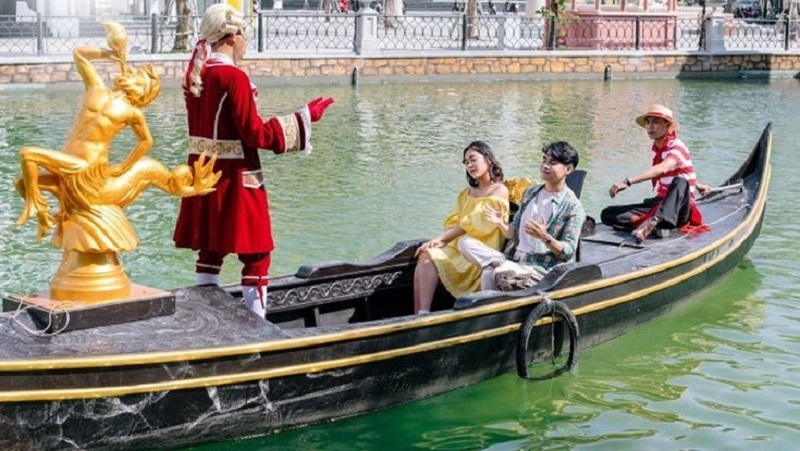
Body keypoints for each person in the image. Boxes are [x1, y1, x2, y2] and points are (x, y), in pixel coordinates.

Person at [173, 4, 334, 318]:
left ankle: (205, 318)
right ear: (232, 37)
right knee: (257, 254)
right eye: (245, 37)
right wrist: (304, 119)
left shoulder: (196, 74)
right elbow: (255, 134)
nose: (247, 45)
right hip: (238, 175)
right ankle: (257, 326)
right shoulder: (233, 77)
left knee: (211, 249)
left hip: (203, 173)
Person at [459, 141, 586, 292]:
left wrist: (545, 237)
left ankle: (500, 277)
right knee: (464, 243)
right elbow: (513, 232)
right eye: (544, 160)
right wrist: (500, 223)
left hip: (540, 270)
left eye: (552, 162)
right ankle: (500, 271)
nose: (545, 165)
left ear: (568, 169)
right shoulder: (530, 193)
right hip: (514, 260)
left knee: (491, 272)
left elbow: (569, 251)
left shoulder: (573, 206)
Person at [413, 141, 509, 314]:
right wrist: (442, 242)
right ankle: (420, 313)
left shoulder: (499, 190)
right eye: (466, 162)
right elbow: (456, 222)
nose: (470, 165)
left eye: (473, 160)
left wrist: (441, 239)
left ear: (488, 160)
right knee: (426, 256)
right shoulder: (466, 194)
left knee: (431, 252)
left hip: (480, 250)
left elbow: (473, 223)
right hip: (459, 244)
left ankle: (423, 313)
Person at [601, 104, 711, 243]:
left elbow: (663, 169)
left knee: (680, 182)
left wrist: (628, 181)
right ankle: (653, 224)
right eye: (648, 122)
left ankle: (654, 221)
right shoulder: (658, 149)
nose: (650, 126)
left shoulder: (676, 146)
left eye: (656, 122)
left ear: (668, 126)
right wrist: (697, 185)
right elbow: (671, 173)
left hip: (680, 209)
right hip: (660, 202)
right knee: (607, 214)